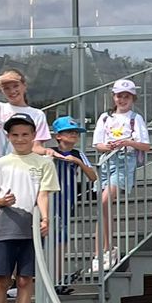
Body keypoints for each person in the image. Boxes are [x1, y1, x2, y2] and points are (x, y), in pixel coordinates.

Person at [0, 114, 57, 303]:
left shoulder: (45, 163)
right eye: (15, 134)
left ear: (34, 135)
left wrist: (45, 218)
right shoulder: (0, 164)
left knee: (25, 280)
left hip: (31, 227)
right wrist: (2, 201)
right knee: (2, 279)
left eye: (25, 134)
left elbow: (43, 194)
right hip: (5, 226)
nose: (20, 138)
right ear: (8, 136)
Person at [92, 79, 151, 272]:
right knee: (103, 206)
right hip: (106, 161)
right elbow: (98, 144)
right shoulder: (105, 117)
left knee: (105, 200)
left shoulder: (135, 118)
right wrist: (108, 146)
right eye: (119, 96)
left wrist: (127, 142)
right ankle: (101, 252)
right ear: (114, 97)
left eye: (126, 96)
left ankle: (108, 249)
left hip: (124, 161)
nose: (122, 100)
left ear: (133, 98)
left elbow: (146, 145)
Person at [49, 116, 96, 288]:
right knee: (49, 238)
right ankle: (51, 276)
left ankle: (58, 277)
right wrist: (53, 156)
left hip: (66, 201)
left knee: (61, 238)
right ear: (58, 136)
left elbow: (93, 176)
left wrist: (77, 162)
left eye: (76, 132)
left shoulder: (78, 154)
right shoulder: (49, 152)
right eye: (69, 132)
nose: (74, 135)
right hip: (50, 199)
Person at [0, 68, 53, 146]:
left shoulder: (38, 114)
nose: (12, 91)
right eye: (6, 88)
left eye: (16, 86)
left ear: (24, 86)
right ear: (2, 90)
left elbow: (36, 146)